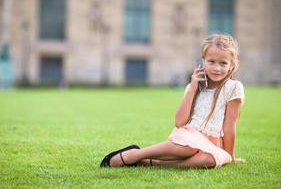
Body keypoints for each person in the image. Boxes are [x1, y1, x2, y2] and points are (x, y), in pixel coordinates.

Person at [100, 33, 246, 168]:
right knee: (190, 148)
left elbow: (229, 127)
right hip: (189, 137)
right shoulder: (193, 87)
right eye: (212, 61)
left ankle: (151, 162)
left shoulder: (233, 88)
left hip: (213, 143)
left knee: (209, 160)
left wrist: (230, 156)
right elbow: (180, 122)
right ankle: (134, 154)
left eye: (223, 63)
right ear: (203, 62)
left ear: (231, 65)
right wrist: (193, 87)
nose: (217, 68)